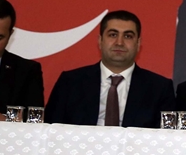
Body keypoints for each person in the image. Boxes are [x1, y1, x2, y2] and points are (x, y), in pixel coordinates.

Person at [44, 10, 175, 128]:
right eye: (112, 35)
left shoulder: (160, 88)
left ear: (138, 43)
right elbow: (50, 130)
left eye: (128, 36)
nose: (119, 42)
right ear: (100, 41)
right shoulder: (70, 82)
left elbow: (166, 138)